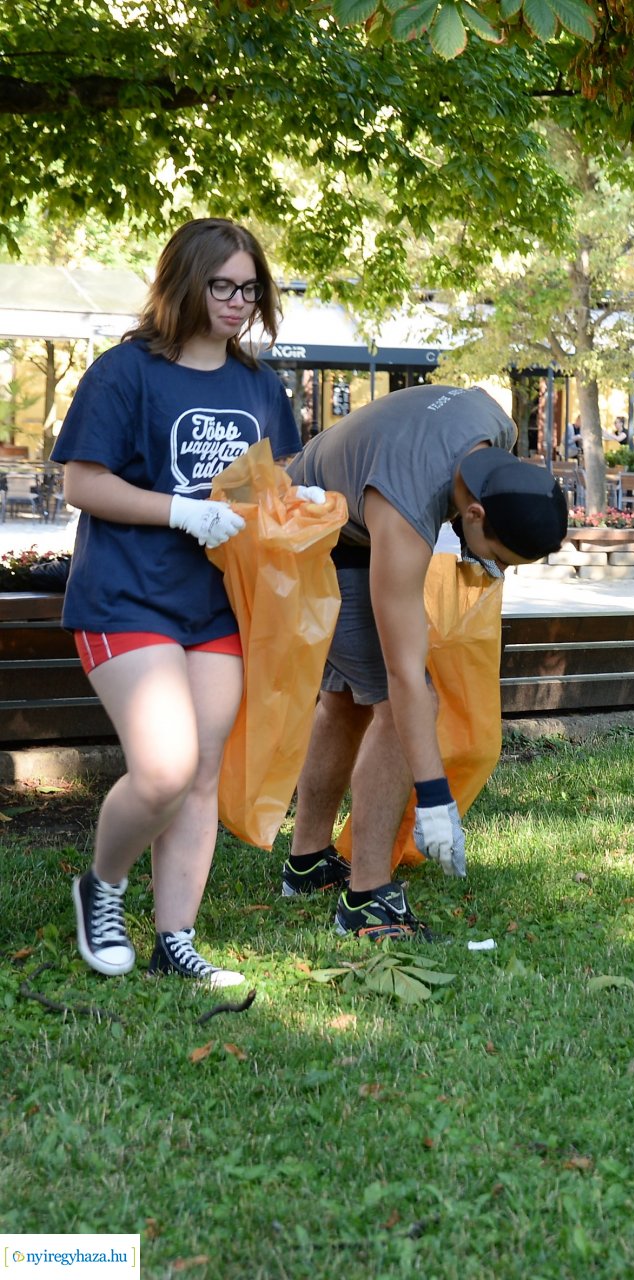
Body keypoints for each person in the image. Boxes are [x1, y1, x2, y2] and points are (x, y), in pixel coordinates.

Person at [56, 217, 304, 987]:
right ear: (184, 283)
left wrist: (302, 502)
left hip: (214, 607)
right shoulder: (125, 372)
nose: (237, 301)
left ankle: (176, 940)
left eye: (250, 287)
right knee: (164, 769)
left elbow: (274, 485)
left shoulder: (259, 385)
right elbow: (81, 484)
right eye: (221, 285)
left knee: (200, 775)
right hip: (126, 597)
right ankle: (102, 886)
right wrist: (179, 508)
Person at [283, 384, 567, 940]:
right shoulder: (405, 504)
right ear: (476, 511)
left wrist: (477, 546)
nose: (499, 570)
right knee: (399, 702)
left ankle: (309, 860)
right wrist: (435, 799)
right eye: (501, 558)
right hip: (307, 539)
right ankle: (365, 898)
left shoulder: (494, 426)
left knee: (344, 702)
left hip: (344, 515)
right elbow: (404, 675)